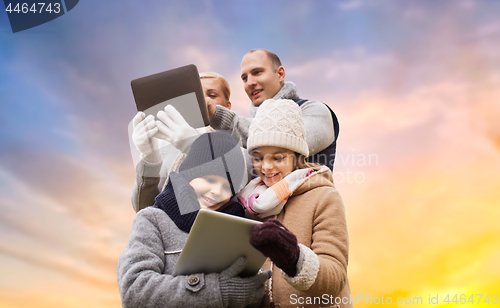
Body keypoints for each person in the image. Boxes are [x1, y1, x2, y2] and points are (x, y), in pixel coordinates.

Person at [118, 131, 271, 308]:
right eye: (210, 179)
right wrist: (217, 290)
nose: (217, 191)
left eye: (226, 186)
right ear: (189, 175)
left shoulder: (237, 229)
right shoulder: (152, 220)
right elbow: (134, 291)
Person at [236, 99, 352, 308]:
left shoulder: (324, 197)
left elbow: (335, 278)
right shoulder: (249, 203)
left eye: (278, 158)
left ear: (296, 157)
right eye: (258, 158)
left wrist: (295, 258)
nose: (266, 167)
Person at [131, 72, 249, 212]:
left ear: (227, 106)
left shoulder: (236, 143)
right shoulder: (165, 144)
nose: (203, 100)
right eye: (196, 95)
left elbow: (237, 191)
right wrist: (149, 158)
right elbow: (143, 207)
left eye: (212, 95)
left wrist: (195, 144)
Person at [209, 49, 340, 171]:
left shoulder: (316, 110)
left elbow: (283, 140)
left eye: (257, 72)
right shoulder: (247, 131)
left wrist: (219, 117)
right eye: (244, 78)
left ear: (280, 74)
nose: (250, 83)